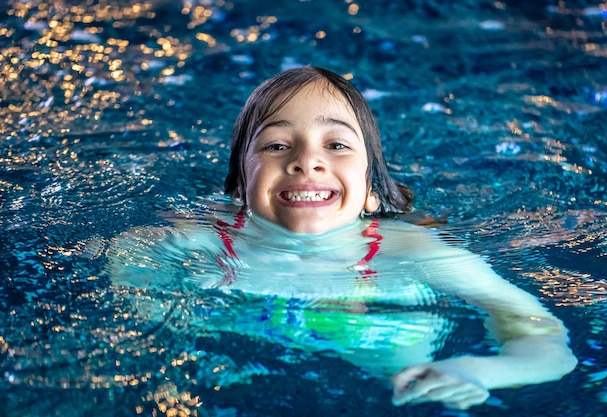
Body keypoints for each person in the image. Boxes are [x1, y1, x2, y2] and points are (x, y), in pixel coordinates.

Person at [107, 66, 577, 410]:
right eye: (275, 145)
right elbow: (123, 252)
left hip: (376, 346)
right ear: (238, 188)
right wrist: (149, 311)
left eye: (336, 145)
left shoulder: (411, 251)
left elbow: (544, 340)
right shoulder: (208, 236)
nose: (306, 161)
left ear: (372, 192)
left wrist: (474, 371)